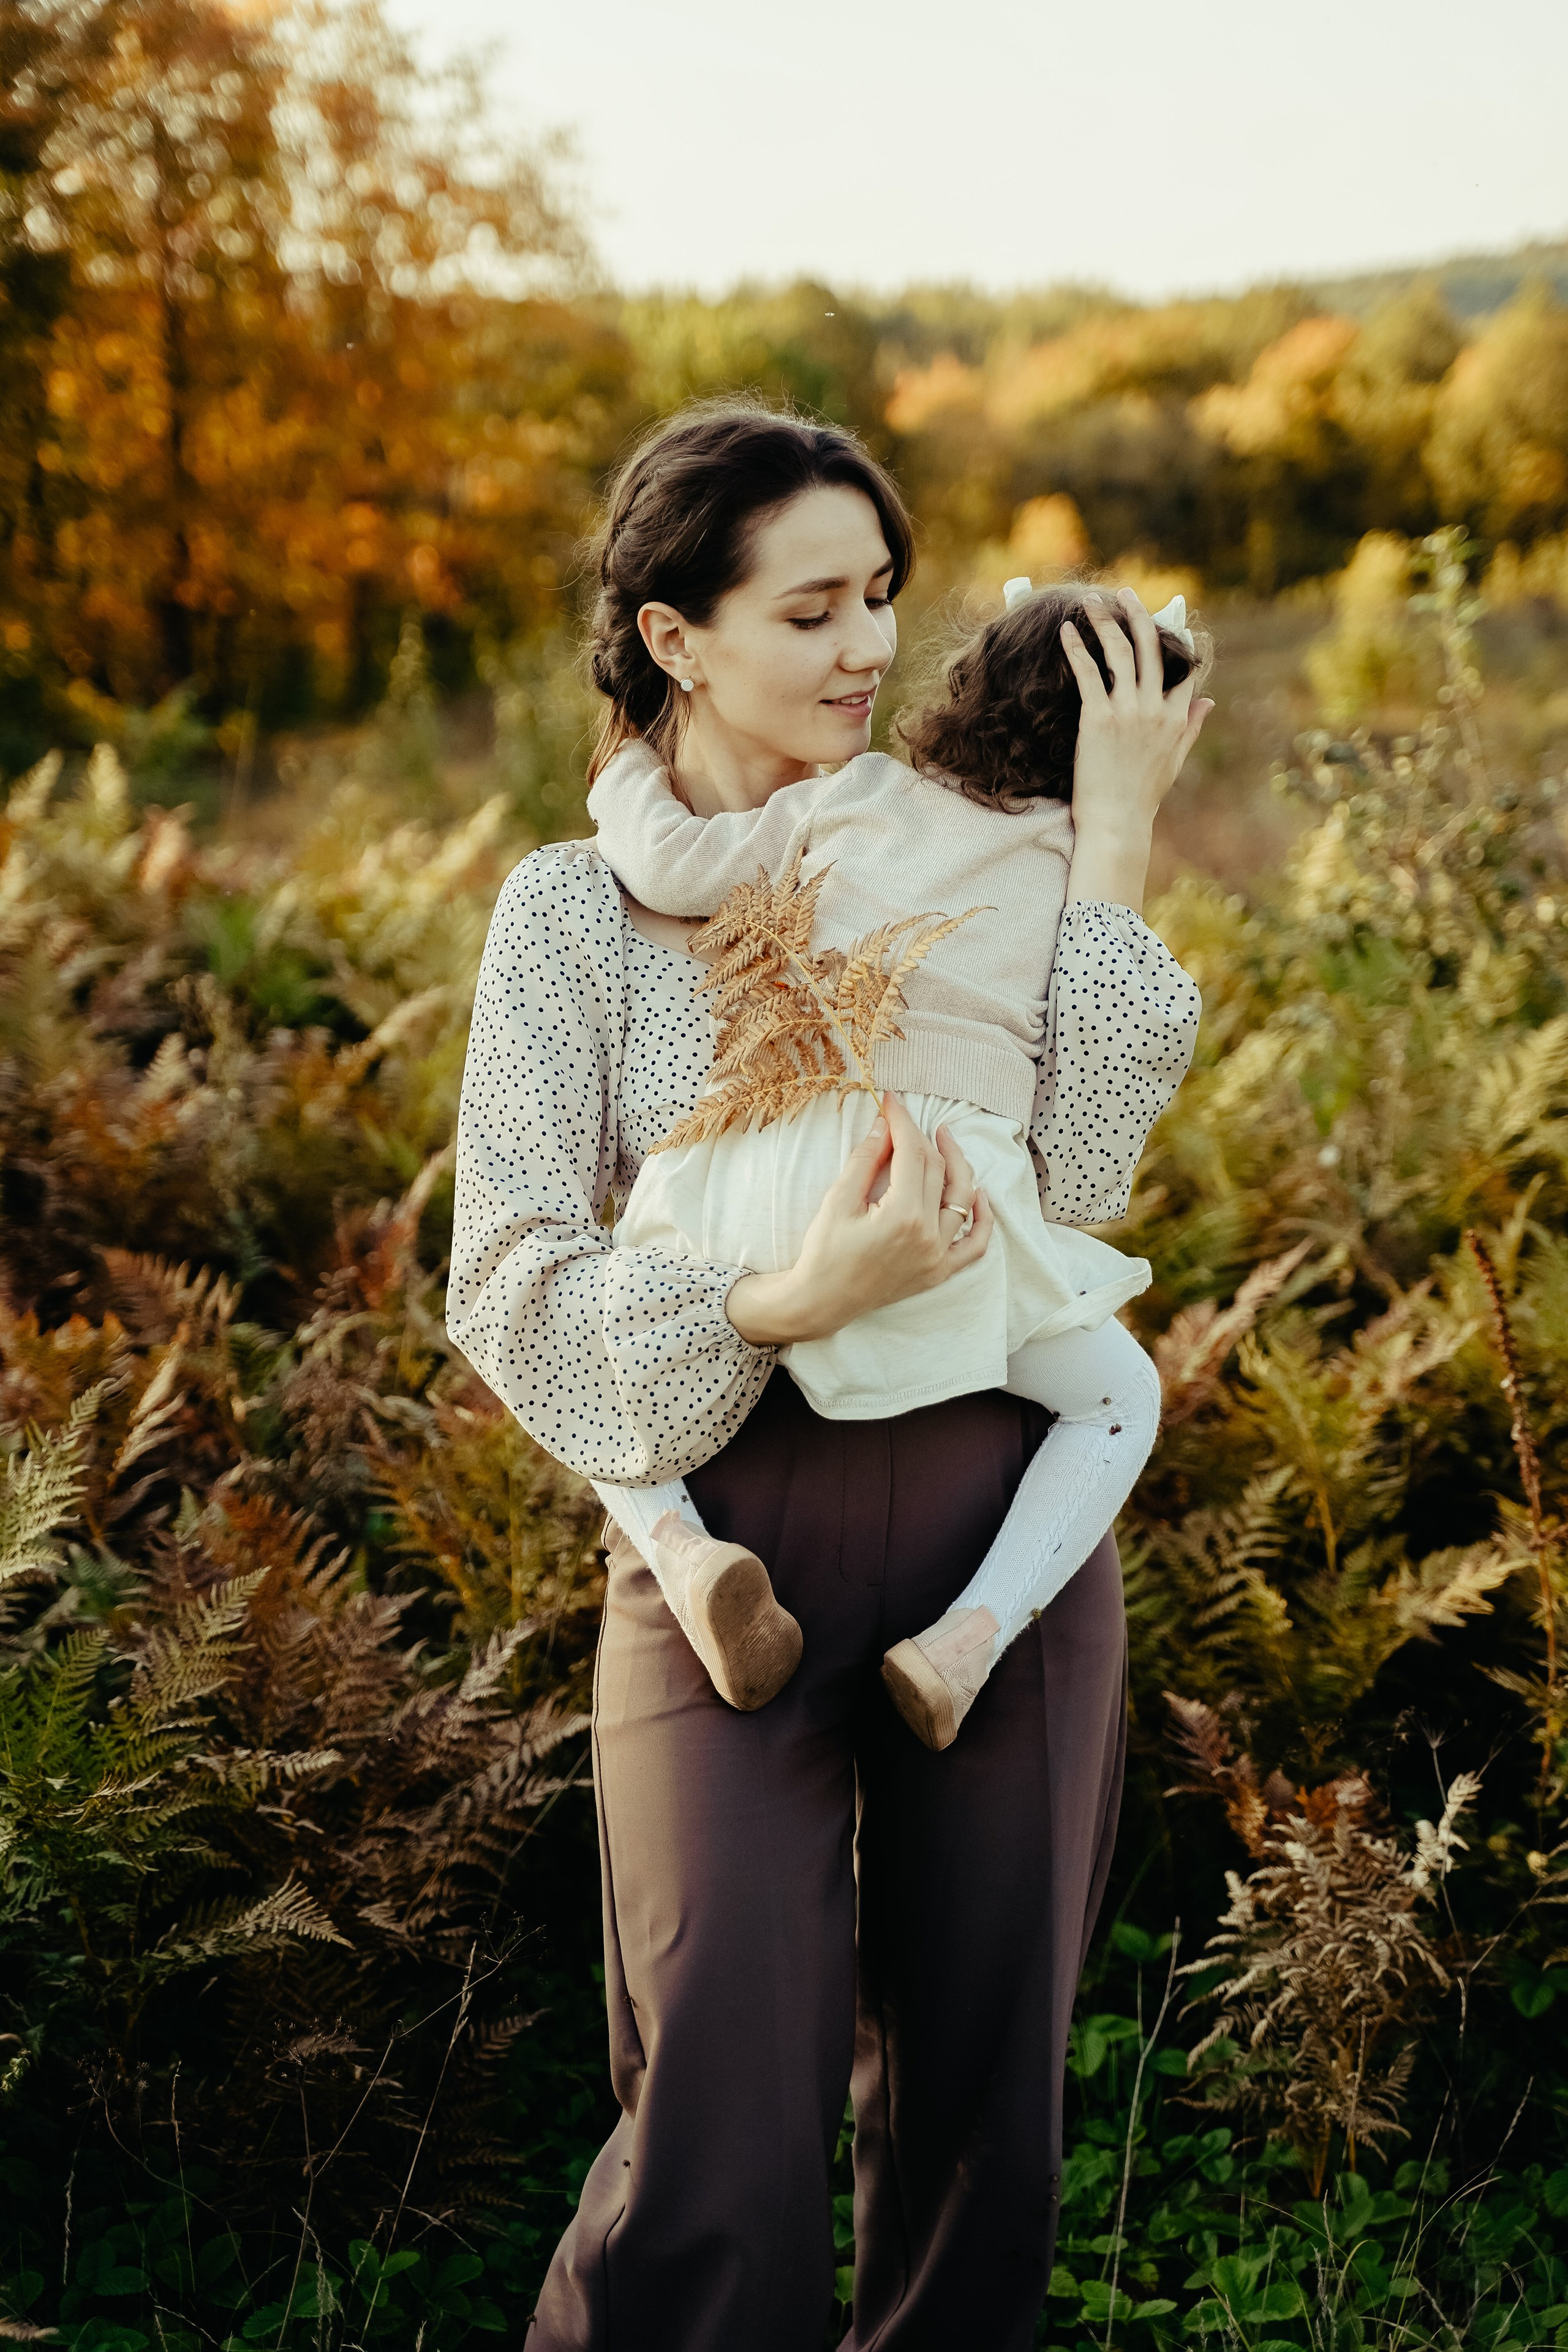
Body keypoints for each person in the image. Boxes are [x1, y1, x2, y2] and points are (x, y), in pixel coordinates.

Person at [448, 402, 1210, 2352]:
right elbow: (507, 1278)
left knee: (985, 2110)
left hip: (997, 1528)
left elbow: (1083, 1176)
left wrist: (1117, 835)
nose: (870, 647)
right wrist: (778, 1303)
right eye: (810, 611)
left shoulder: (949, 837)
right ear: (675, 637)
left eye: (882, 596)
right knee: (713, 2107)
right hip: (722, 1535)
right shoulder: (573, 911)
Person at [586, 579, 1208, 1751]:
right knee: (1120, 1399)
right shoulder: (1080, 868)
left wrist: (624, 769)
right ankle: (967, 1640)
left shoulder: (856, 793)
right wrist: (1119, 829)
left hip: (764, 1151)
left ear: (970, 681)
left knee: (615, 1333)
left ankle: (682, 1552)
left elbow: (668, 865)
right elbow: (1085, 1167)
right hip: (937, 1204)